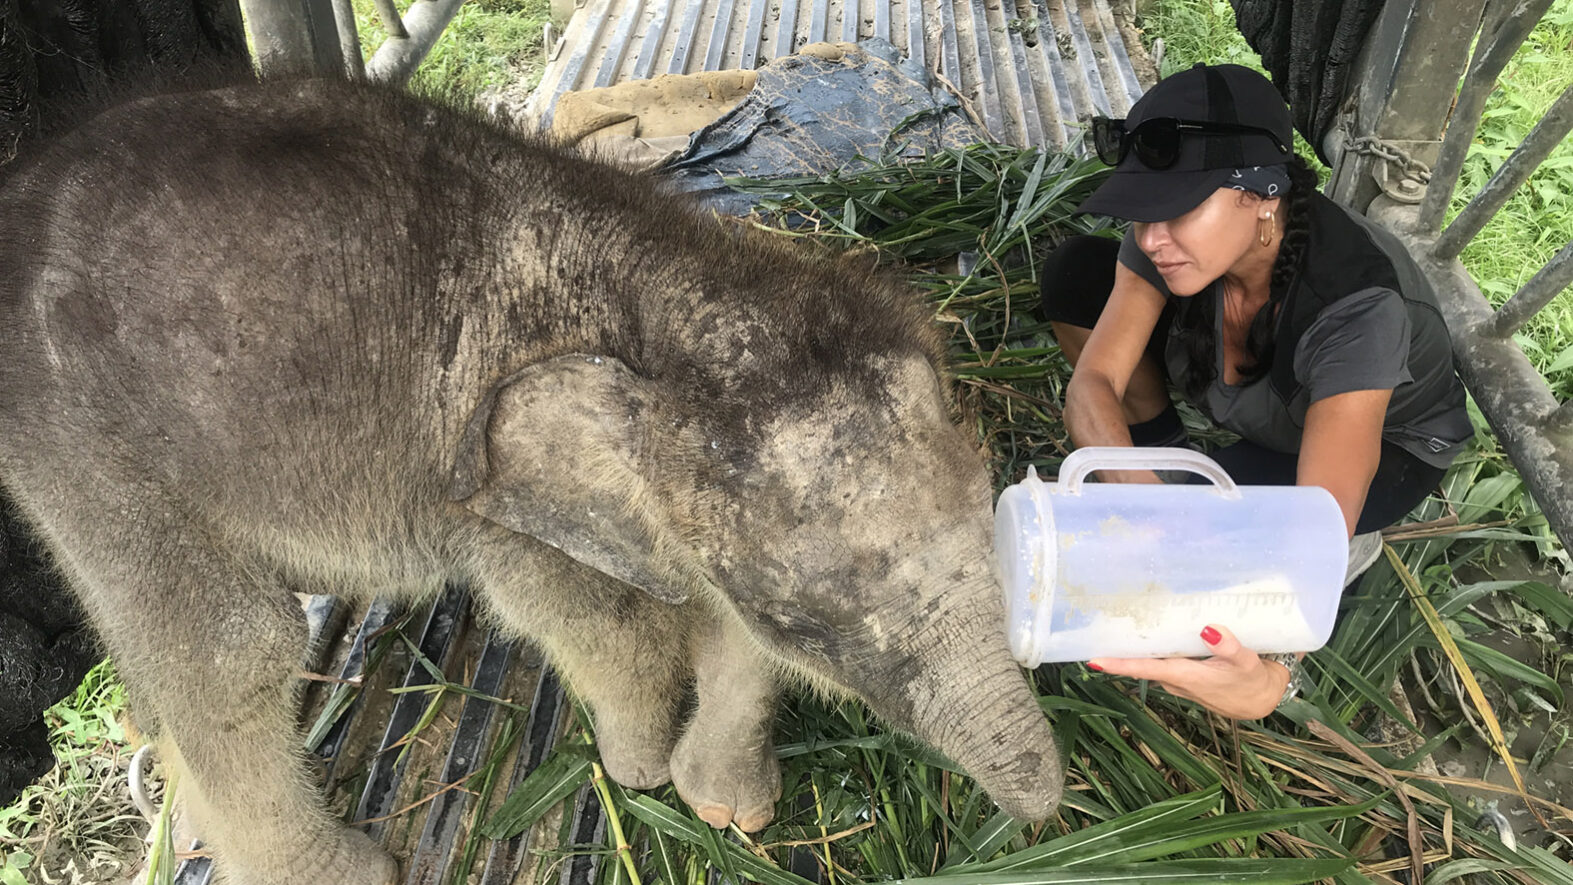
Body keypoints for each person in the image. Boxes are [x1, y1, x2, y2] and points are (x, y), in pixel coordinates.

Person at [1038, 63, 1471, 719]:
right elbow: (1092, 382)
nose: (1151, 237)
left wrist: (1274, 672)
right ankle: (1177, 461)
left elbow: (1313, 526)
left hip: (1384, 443)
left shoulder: (1356, 306)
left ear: (1263, 194)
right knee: (1074, 272)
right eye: (1143, 209)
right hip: (1276, 408)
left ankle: (1356, 535)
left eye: (1178, 207)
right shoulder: (1168, 244)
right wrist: (1147, 501)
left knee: (1231, 545)